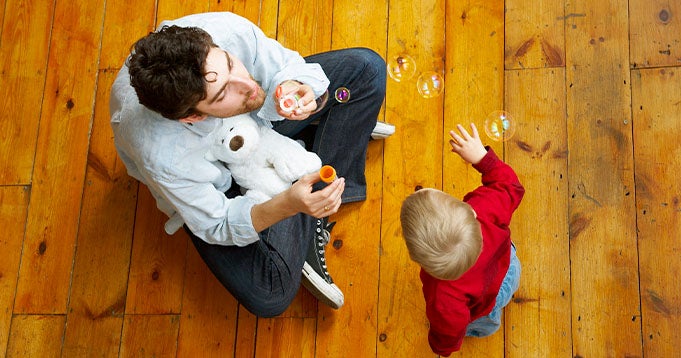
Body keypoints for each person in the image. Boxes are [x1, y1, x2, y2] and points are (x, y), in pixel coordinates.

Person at [110, 12, 390, 316]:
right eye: (223, 94)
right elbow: (217, 222)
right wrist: (287, 205)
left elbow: (284, 67)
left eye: (230, 64)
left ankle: (315, 189)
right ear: (193, 116)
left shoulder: (222, 33)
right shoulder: (161, 154)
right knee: (270, 294)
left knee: (368, 69)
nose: (248, 84)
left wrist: (299, 87)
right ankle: (327, 148)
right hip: (218, 184)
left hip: (259, 126)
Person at [399, 123, 525, 356]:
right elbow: (510, 186)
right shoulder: (483, 208)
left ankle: (480, 329)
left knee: (479, 322)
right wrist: (481, 158)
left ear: (418, 258)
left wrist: (441, 347)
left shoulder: (442, 295)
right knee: (504, 286)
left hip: (484, 306)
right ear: (469, 212)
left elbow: (449, 329)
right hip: (509, 267)